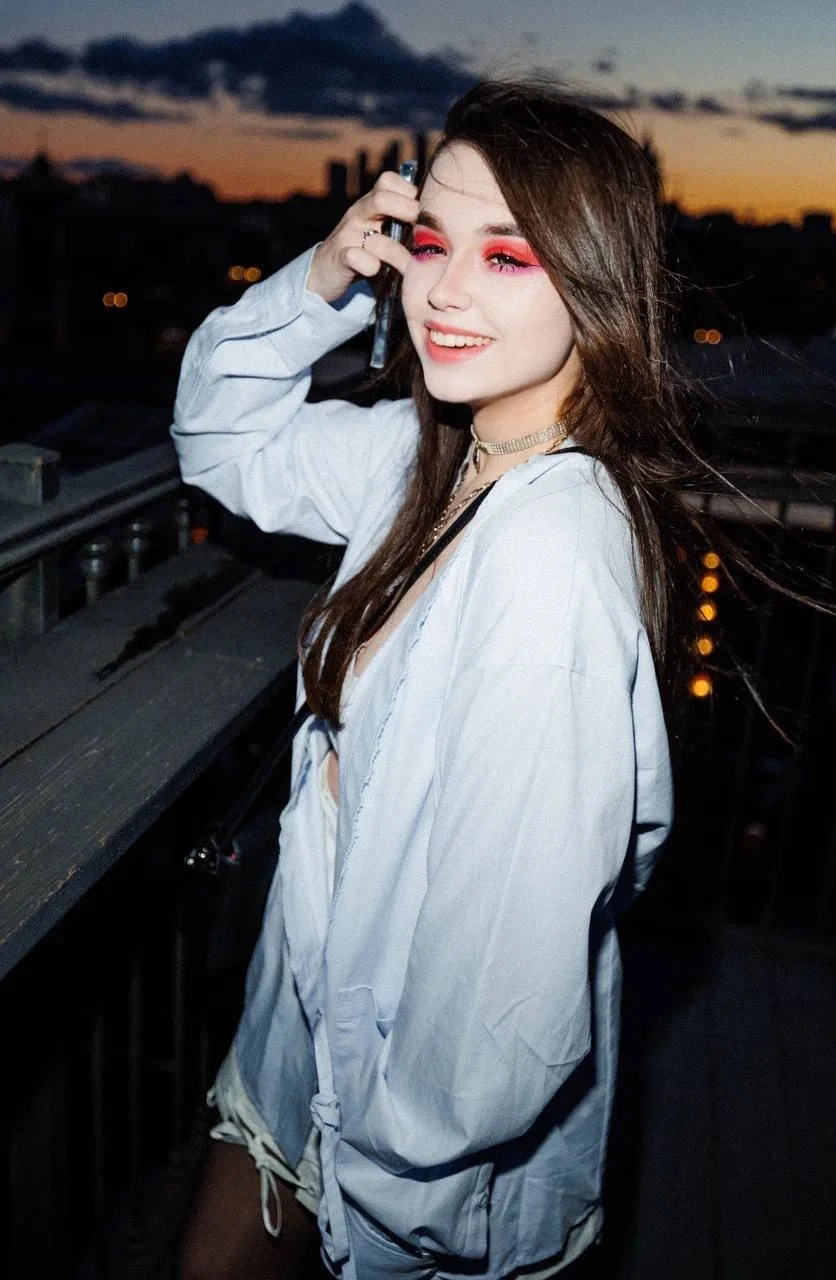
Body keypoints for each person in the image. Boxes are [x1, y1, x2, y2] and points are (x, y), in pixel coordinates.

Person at [172, 80, 678, 1280]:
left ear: (595, 282)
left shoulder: (550, 557)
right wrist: (322, 280)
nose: (444, 290)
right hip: (301, 1033)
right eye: (431, 241)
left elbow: (506, 985)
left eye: (505, 255)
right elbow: (223, 440)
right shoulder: (431, 459)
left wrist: (391, 1172)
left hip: (411, 1151)